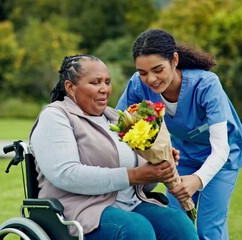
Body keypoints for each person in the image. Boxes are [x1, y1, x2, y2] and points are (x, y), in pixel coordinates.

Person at [29, 54, 198, 239]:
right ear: (70, 87)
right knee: (136, 229)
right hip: (79, 211)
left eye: (107, 82)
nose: (105, 89)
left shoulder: (117, 119)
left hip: (130, 204)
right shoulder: (56, 116)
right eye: (96, 82)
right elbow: (66, 174)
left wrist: (157, 168)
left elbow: (144, 187)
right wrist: (133, 175)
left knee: (178, 224)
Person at [116, 29, 242, 240]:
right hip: (182, 155)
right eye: (143, 72)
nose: (150, 79)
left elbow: (221, 148)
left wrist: (197, 180)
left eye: (157, 69)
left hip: (222, 158)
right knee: (176, 223)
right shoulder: (137, 84)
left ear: (174, 60)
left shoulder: (206, 85)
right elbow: (119, 126)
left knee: (209, 228)